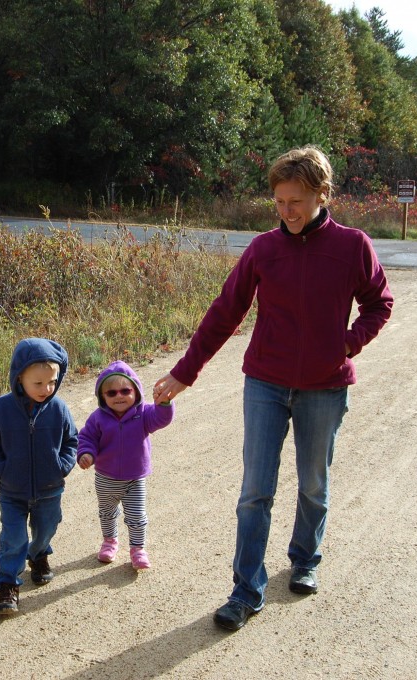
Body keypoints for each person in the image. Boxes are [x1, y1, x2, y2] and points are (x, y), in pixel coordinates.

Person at [152, 145, 393, 632]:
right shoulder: (263, 249)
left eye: (297, 201)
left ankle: (305, 558)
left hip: (324, 388)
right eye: (280, 202)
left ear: (323, 195)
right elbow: (225, 313)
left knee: (313, 484)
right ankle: (246, 590)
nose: (288, 211)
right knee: (254, 491)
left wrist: (347, 344)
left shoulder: (352, 246)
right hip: (265, 382)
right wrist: (185, 371)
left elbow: (378, 303)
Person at [0, 337, 79, 616]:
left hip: (49, 488)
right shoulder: (0, 409)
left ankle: (39, 554)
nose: (46, 389)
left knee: (46, 529)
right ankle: (8, 585)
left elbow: (72, 440)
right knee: (13, 538)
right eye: (38, 383)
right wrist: (3, 468)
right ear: (18, 377)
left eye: (52, 382)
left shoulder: (59, 409)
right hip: (12, 490)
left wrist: (62, 466)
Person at [77, 361, 175, 570]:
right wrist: (86, 454)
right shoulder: (98, 418)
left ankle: (138, 549)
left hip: (134, 479)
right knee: (107, 513)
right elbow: (87, 438)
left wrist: (164, 403)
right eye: (111, 393)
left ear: (136, 391)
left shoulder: (144, 414)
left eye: (125, 390)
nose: (119, 396)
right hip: (105, 478)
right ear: (103, 397)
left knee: (137, 515)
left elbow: (161, 419)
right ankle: (109, 542)